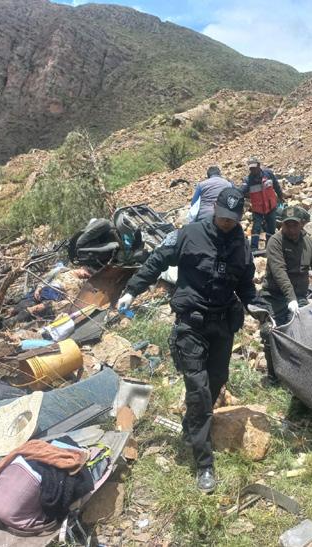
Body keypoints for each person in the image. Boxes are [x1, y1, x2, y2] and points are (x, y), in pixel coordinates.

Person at [116, 187, 256, 494]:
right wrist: (131, 290)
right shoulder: (189, 234)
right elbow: (157, 261)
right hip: (191, 325)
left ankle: (192, 426)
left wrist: (256, 305)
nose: (227, 223)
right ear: (214, 210)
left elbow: (246, 285)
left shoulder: (241, 245)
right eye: (223, 217)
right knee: (199, 389)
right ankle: (204, 463)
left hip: (222, 325)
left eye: (232, 219)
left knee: (217, 380)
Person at [258, 205, 312, 382]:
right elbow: (279, 272)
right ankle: (274, 376)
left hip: (299, 297)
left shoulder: (309, 243)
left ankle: (298, 375)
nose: (291, 229)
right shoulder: (275, 242)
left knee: (305, 332)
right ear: (282, 225)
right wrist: (290, 299)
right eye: (288, 225)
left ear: (302, 224)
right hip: (274, 296)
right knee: (271, 332)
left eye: (295, 225)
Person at [240, 156, 284, 251]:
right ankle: (254, 248)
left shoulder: (268, 174)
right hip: (258, 208)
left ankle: (270, 246)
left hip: (270, 206)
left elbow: (276, 185)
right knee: (256, 227)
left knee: (271, 227)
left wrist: (280, 196)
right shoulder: (248, 180)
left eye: (254, 167)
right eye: (251, 168)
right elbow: (242, 191)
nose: (253, 170)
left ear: (259, 165)